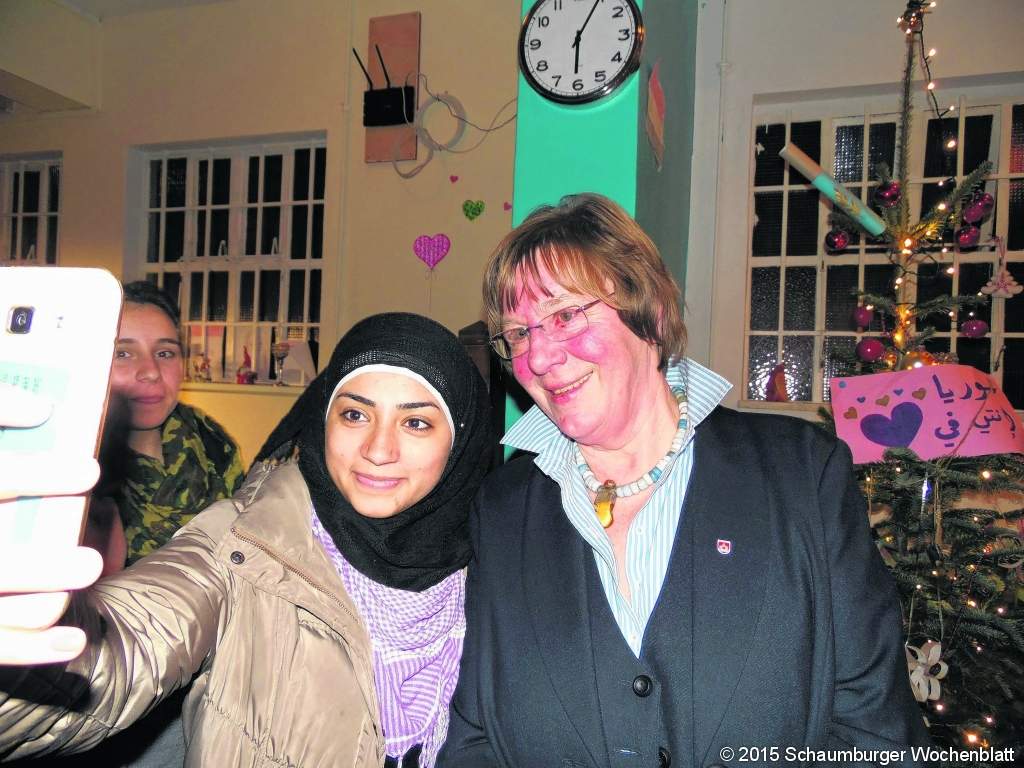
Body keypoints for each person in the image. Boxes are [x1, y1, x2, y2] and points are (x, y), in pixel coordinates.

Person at [438, 194, 931, 768]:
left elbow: (878, 735)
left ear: (651, 315)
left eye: (566, 315)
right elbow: (475, 738)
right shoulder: (501, 510)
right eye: (519, 334)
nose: (540, 357)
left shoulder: (801, 476)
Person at [0, 312, 493, 768]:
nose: (378, 449)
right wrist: (22, 636)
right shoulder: (242, 544)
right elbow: (121, 652)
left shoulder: (499, 561)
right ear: (322, 421)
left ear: (461, 442)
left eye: (416, 423)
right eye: (355, 415)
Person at [94, 280, 244, 568]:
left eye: (165, 353)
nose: (151, 371)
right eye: (122, 353)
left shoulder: (212, 442)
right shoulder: (71, 472)